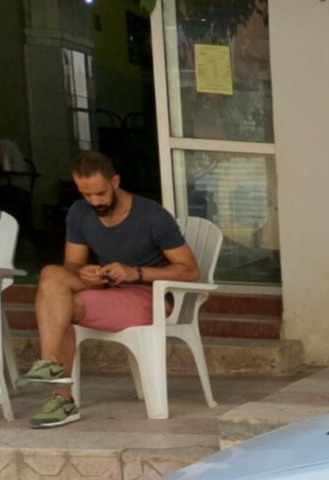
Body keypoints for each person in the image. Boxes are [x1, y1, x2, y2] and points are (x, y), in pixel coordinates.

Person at [16, 150, 201, 428]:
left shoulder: (152, 216)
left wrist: (135, 272)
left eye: (100, 193)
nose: (94, 201)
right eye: (85, 194)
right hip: (107, 286)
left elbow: (190, 270)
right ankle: (49, 362)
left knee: (63, 306)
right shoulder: (79, 213)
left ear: (115, 181)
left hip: (148, 294)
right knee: (52, 274)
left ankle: (61, 398)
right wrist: (83, 272)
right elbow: (72, 264)